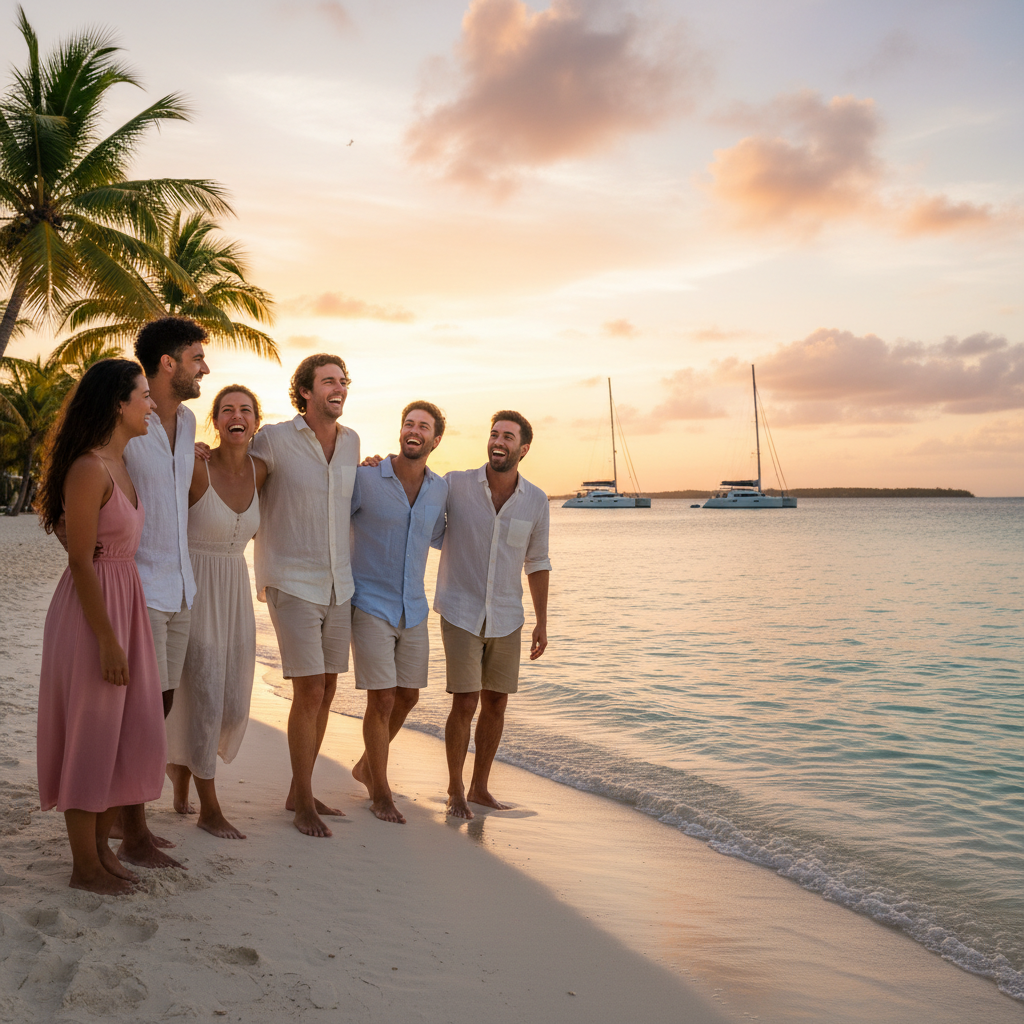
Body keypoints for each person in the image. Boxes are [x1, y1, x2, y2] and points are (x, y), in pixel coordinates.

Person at [36, 359, 166, 894]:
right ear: (118, 402)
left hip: (125, 603)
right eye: (143, 394)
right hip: (93, 615)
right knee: (91, 735)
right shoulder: (89, 467)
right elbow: (80, 560)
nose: (151, 403)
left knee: (127, 732)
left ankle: (102, 852)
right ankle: (83, 866)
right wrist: (108, 639)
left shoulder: (123, 465)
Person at [250, 354, 359, 838]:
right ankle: (301, 805)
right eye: (328, 381)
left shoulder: (353, 442)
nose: (338, 387)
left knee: (329, 688)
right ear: (306, 391)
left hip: (340, 583)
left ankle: (302, 789)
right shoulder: (273, 438)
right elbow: (240, 478)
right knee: (309, 688)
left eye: (343, 381)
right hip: (290, 580)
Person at [116, 316, 209, 867]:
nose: (205, 367)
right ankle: (133, 832)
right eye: (197, 357)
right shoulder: (128, 415)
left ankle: (128, 821)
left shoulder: (192, 419)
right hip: (139, 585)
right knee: (139, 711)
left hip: (181, 587)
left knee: (164, 704)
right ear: (168, 363)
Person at [434, 411, 551, 819]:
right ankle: (454, 788)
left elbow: (537, 561)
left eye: (508, 437)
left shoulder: (535, 500)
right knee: (464, 701)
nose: (498, 441)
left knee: (496, 703)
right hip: (460, 608)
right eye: (494, 434)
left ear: (524, 449)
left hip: (507, 614)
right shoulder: (455, 484)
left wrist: (542, 621)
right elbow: (424, 524)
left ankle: (480, 786)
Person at [164, 385, 267, 839]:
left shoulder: (263, 470)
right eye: (227, 410)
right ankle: (207, 806)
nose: (236, 416)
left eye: (245, 410)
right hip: (197, 589)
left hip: (237, 594)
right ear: (217, 421)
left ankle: (180, 772)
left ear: (256, 424)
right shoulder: (194, 467)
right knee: (202, 695)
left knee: (229, 701)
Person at [349, 402, 448, 823]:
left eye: (423, 427)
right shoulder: (366, 477)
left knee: (408, 695)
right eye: (409, 424)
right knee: (382, 697)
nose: (414, 431)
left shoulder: (440, 489)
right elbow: (331, 518)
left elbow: (444, 537)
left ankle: (365, 765)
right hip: (369, 601)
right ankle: (380, 790)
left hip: (414, 607)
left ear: (435, 440)